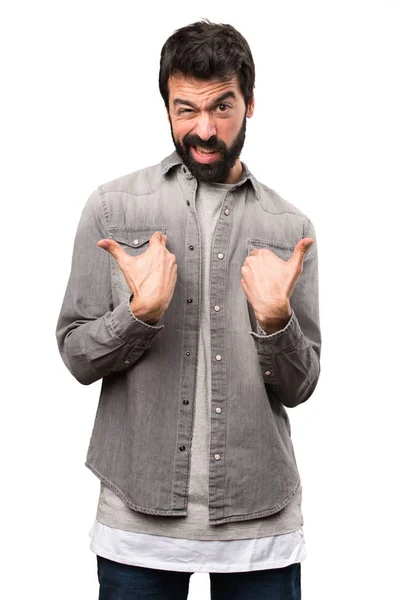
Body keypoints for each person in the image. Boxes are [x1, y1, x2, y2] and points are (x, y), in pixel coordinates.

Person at [56, 18, 321, 600]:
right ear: (167, 108)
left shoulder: (289, 228)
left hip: (260, 523)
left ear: (250, 102)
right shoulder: (112, 208)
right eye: (185, 110)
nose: (205, 129)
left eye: (222, 107)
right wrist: (140, 314)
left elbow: (301, 386)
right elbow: (76, 354)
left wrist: (276, 323)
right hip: (136, 521)